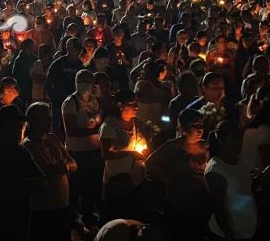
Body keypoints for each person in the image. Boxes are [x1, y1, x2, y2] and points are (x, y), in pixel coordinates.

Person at [0, 105, 45, 241]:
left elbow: (42, 181)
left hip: (19, 225)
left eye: (21, 127)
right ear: (0, 130)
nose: (20, 132)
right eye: (16, 127)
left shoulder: (21, 152)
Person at [145, 108, 211, 239]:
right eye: (195, 125)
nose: (200, 130)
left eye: (201, 125)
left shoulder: (206, 146)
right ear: (184, 127)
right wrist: (168, 180)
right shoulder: (173, 146)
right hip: (178, 206)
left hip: (202, 205)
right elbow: (151, 162)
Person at [22, 101, 76, 241]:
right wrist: (61, 167)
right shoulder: (28, 146)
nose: (50, 121)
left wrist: (61, 167)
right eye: (46, 118)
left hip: (62, 202)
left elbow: (72, 163)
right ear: (33, 121)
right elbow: (45, 171)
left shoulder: (52, 139)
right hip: (42, 207)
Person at [205, 121, 267, 241]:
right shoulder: (216, 170)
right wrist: (230, 236)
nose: (239, 142)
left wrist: (262, 176)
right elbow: (219, 209)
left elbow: (244, 190)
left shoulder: (239, 161)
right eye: (234, 138)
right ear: (222, 141)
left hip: (246, 231)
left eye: (240, 137)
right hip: (226, 235)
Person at [98, 89, 150, 220]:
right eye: (131, 104)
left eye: (136, 103)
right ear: (120, 105)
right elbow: (106, 154)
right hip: (117, 178)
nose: (136, 107)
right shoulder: (109, 126)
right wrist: (131, 154)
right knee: (118, 214)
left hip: (137, 177)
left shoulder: (138, 123)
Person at [62, 69, 104, 230]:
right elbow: (71, 130)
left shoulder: (95, 101)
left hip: (94, 150)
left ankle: (88, 216)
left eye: (88, 80)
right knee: (76, 186)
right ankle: (72, 218)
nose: (85, 84)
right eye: (82, 80)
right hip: (77, 152)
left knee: (91, 185)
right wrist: (94, 132)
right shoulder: (70, 103)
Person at [45, 37, 84, 136]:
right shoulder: (58, 64)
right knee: (57, 131)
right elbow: (48, 82)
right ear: (69, 49)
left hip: (73, 104)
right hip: (58, 103)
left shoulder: (80, 65)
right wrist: (54, 97)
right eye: (77, 49)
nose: (79, 52)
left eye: (79, 50)